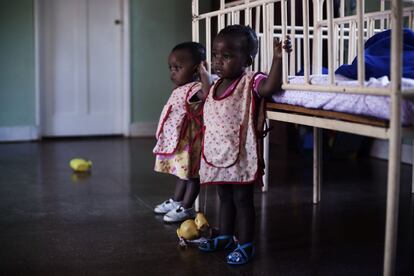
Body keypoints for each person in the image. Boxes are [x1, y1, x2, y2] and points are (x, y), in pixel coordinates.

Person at [198, 25, 291, 265]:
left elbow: (271, 87)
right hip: (218, 154)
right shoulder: (217, 84)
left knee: (242, 199)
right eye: (216, 54)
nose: (219, 61)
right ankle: (226, 235)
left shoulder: (250, 81)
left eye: (226, 56)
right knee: (224, 196)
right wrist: (205, 76)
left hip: (240, 155)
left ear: (247, 60)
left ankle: (246, 243)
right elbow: (208, 96)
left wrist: (277, 59)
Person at [153, 42, 211, 223]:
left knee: (192, 176)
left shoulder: (195, 88)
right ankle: (177, 201)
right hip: (179, 140)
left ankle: (187, 208)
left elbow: (208, 94)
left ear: (195, 69)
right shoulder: (181, 87)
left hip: (191, 142)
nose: (172, 72)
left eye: (178, 68)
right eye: (171, 68)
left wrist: (204, 75)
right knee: (181, 173)